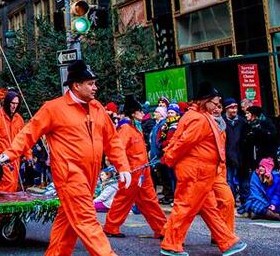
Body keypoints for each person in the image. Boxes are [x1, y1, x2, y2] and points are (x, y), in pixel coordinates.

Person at [1, 60, 131, 256]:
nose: (95, 87)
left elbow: (112, 140)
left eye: (95, 83)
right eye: (90, 83)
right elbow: (30, 131)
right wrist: (11, 153)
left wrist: (123, 166)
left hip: (89, 177)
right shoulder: (53, 108)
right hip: (70, 177)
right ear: (76, 85)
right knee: (87, 220)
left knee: (67, 224)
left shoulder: (97, 108)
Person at [160, 81, 247, 256]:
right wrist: (168, 159)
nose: (217, 107)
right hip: (197, 172)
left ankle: (227, 242)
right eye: (215, 103)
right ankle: (171, 244)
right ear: (205, 101)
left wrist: (169, 158)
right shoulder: (199, 119)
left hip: (201, 172)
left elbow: (180, 141)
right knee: (185, 208)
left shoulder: (197, 115)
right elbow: (183, 143)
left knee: (208, 210)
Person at [103, 96, 166, 239]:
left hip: (142, 172)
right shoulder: (126, 129)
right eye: (140, 111)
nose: (143, 113)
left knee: (150, 201)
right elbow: (117, 150)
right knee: (124, 200)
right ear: (133, 113)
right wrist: (122, 169)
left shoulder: (132, 127)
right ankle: (111, 227)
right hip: (132, 172)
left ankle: (162, 229)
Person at [223, 98, 244, 200]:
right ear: (226, 109)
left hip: (240, 155)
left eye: (235, 107)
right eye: (231, 108)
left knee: (242, 179)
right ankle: (231, 200)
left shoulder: (242, 121)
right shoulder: (222, 122)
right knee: (229, 180)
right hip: (227, 156)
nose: (234, 110)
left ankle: (242, 199)